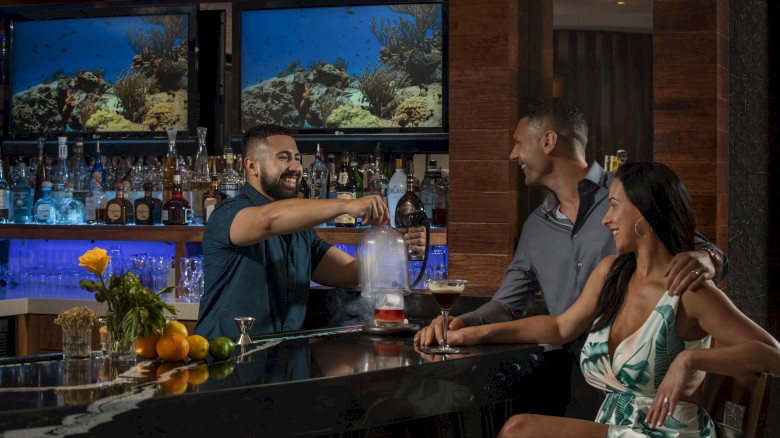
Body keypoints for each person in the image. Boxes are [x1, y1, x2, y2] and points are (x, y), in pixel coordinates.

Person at [414, 99, 728, 418]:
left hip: (639, 382)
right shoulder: (536, 226)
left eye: (518, 143)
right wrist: (461, 322)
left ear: (549, 142)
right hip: (573, 375)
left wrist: (708, 258)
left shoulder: (626, 197)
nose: (512, 155)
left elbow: (700, 251)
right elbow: (509, 304)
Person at [445, 162, 780, 437]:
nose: (606, 219)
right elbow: (561, 326)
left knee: (521, 430)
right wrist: (475, 332)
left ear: (645, 214)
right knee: (519, 428)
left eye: (615, 206)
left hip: (665, 433)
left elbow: (772, 355)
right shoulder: (612, 274)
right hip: (618, 428)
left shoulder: (688, 291)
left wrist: (691, 361)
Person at [195, 124, 425, 339]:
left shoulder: (300, 233)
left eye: (297, 158)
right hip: (226, 362)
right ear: (252, 166)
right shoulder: (228, 213)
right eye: (283, 157)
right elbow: (268, 220)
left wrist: (398, 247)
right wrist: (346, 205)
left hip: (282, 364)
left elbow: (351, 273)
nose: (295, 168)